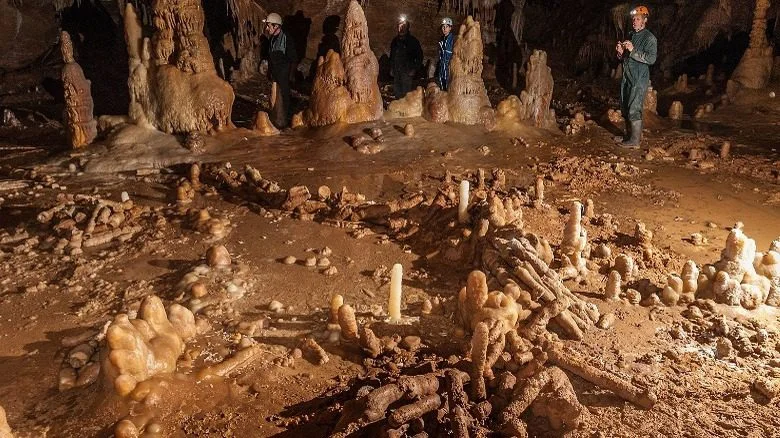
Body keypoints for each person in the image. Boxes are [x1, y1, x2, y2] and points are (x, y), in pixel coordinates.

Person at [615, 5, 657, 148]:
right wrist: (621, 52)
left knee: (634, 108)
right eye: (633, 19)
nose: (634, 21)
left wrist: (633, 50)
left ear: (644, 21)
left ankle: (635, 141)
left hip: (639, 78)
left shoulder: (649, 38)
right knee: (625, 107)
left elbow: (651, 59)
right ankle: (629, 136)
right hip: (628, 77)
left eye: (637, 19)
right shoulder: (631, 35)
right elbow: (626, 58)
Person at [263, 12, 297, 128]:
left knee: (284, 95)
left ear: (276, 26)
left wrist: (291, 75)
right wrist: (269, 71)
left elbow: (293, 58)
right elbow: (271, 57)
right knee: (275, 95)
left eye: (269, 26)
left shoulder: (286, 38)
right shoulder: (272, 39)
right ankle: (277, 117)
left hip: (284, 71)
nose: (267, 28)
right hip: (276, 72)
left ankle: (285, 120)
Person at [390, 15, 423, 99]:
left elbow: (419, 56)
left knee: (406, 96)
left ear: (407, 27)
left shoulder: (413, 41)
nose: (401, 28)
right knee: (397, 94)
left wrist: (414, 69)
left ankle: (405, 112)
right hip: (397, 72)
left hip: (407, 73)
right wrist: (391, 68)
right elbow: (392, 56)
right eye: (399, 26)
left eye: (404, 26)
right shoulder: (394, 41)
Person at [435, 17, 455, 91]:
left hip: (449, 66)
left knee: (449, 85)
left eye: (447, 26)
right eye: (443, 27)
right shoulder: (442, 40)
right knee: (441, 84)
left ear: (450, 28)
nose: (444, 28)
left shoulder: (453, 39)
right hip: (442, 66)